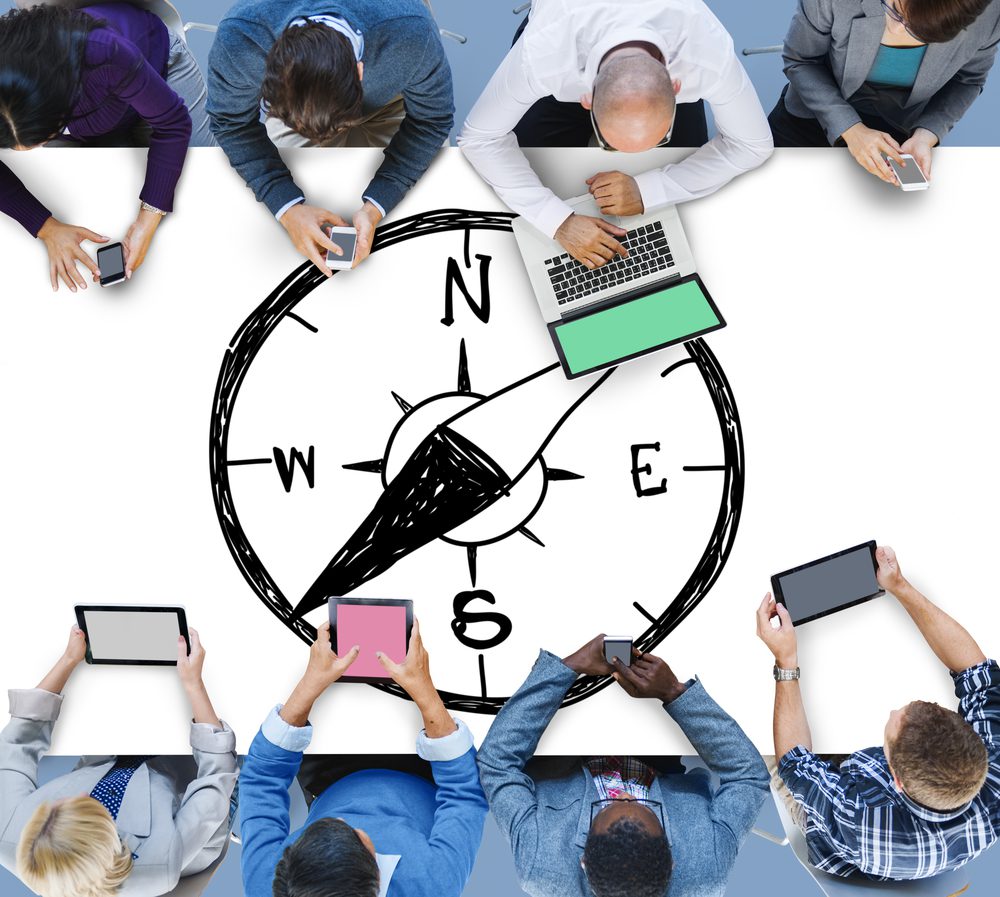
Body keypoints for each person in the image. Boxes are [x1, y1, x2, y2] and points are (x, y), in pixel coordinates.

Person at [457, 0, 773, 271]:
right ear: (586, 99)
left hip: (653, 57)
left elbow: (753, 145)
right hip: (568, 46)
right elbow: (480, 139)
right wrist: (557, 221)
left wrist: (650, 189)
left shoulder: (707, 54)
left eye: (658, 137)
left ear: (676, 88)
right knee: (538, 170)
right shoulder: (543, 54)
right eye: (611, 144)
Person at [756, 545, 1000, 880]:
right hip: (900, 807)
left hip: (834, 827)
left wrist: (786, 660)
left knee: (754, 732)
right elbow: (976, 672)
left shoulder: (863, 824)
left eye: (891, 732)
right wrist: (899, 585)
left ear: (895, 779)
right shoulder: (996, 766)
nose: (893, 709)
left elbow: (795, 762)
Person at [476, 634, 769, 897]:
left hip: (564, 747)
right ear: (672, 859)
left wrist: (571, 666)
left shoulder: (542, 867)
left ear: (583, 861)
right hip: (659, 748)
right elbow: (749, 776)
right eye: (645, 808)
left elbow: (496, 764)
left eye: (605, 808)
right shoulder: (706, 871)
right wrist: (673, 693)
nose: (624, 795)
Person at [239, 620, 487, 897]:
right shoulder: (432, 886)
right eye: (353, 832)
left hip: (330, 777)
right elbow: (464, 795)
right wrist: (423, 689)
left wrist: (310, 684)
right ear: (377, 874)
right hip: (430, 773)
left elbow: (260, 780)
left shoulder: (270, 884)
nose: (344, 817)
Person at [207, 0, 454, 276]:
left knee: (431, 193)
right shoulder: (240, 39)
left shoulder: (411, 32)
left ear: (361, 72)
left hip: (391, 96)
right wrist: (286, 208)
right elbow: (229, 122)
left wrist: (378, 204)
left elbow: (433, 120)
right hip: (295, 99)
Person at [0, 625, 238, 897]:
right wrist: (193, 683)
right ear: (110, 832)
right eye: (86, 805)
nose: (77, 793)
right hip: (191, 794)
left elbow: (16, 744)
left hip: (112, 763)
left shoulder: (10, 836)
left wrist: (68, 660)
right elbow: (216, 779)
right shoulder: (160, 861)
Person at [0, 3, 215, 292]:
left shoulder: (103, 52)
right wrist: (45, 227)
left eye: (39, 139)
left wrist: (147, 219)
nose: (33, 148)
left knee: (208, 168)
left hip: (157, 67)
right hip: (95, 106)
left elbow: (173, 123)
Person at [769, 0, 1000, 185]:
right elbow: (801, 61)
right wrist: (850, 128)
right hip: (812, 115)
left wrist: (926, 134)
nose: (895, 27)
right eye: (897, 8)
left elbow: (968, 80)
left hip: (900, 130)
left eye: (916, 30)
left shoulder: (990, 18)